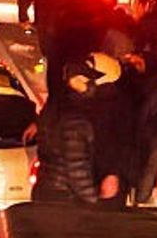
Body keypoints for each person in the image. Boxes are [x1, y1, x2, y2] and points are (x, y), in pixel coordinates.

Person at [33, 58, 104, 204]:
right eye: (88, 81)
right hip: (64, 197)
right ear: (75, 81)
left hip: (46, 189)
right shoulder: (75, 117)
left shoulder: (54, 108)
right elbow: (76, 166)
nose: (93, 86)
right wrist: (93, 199)